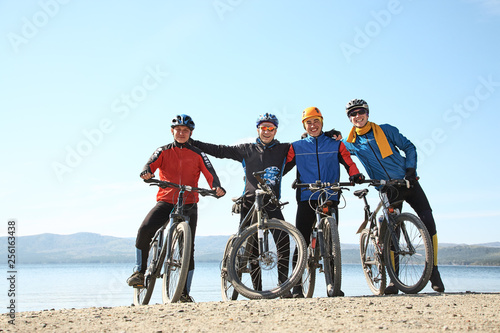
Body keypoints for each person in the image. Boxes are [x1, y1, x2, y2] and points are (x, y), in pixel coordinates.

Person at [342, 98, 445, 294]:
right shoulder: (352, 143)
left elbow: (409, 147)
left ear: (367, 113)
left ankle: (434, 272)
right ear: (349, 118)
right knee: (391, 230)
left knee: (428, 221)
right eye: (353, 114)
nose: (357, 116)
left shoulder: (386, 130)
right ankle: (393, 279)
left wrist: (410, 169)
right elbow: (338, 152)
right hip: (387, 189)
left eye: (360, 112)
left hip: (408, 181)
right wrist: (330, 137)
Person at [190, 113, 294, 295]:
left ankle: (283, 287)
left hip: (271, 201)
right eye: (263, 128)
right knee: (251, 246)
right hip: (249, 202)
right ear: (258, 129)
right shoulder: (247, 149)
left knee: (283, 240)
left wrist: (330, 136)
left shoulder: (284, 149)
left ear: (276, 130)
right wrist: (193, 142)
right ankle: (257, 290)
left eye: (270, 128)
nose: (267, 131)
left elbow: (306, 148)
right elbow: (220, 150)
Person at [126, 114, 225, 302]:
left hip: (188, 202)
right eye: (178, 130)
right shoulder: (162, 150)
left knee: (188, 249)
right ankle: (139, 272)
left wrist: (216, 187)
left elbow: (210, 172)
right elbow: (149, 165)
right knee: (145, 229)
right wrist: (147, 172)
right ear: (172, 131)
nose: (181, 133)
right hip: (166, 200)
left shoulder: (198, 153)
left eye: (185, 130)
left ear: (191, 133)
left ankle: (184, 293)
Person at [286, 107, 365, 298]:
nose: (313, 126)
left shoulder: (335, 144)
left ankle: (332, 283)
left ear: (322, 122)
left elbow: (348, 162)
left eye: (316, 122)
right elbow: (283, 167)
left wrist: (355, 174)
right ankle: (296, 285)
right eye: (309, 122)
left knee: (331, 243)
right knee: (302, 240)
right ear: (304, 125)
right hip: (306, 196)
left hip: (330, 194)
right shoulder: (296, 146)